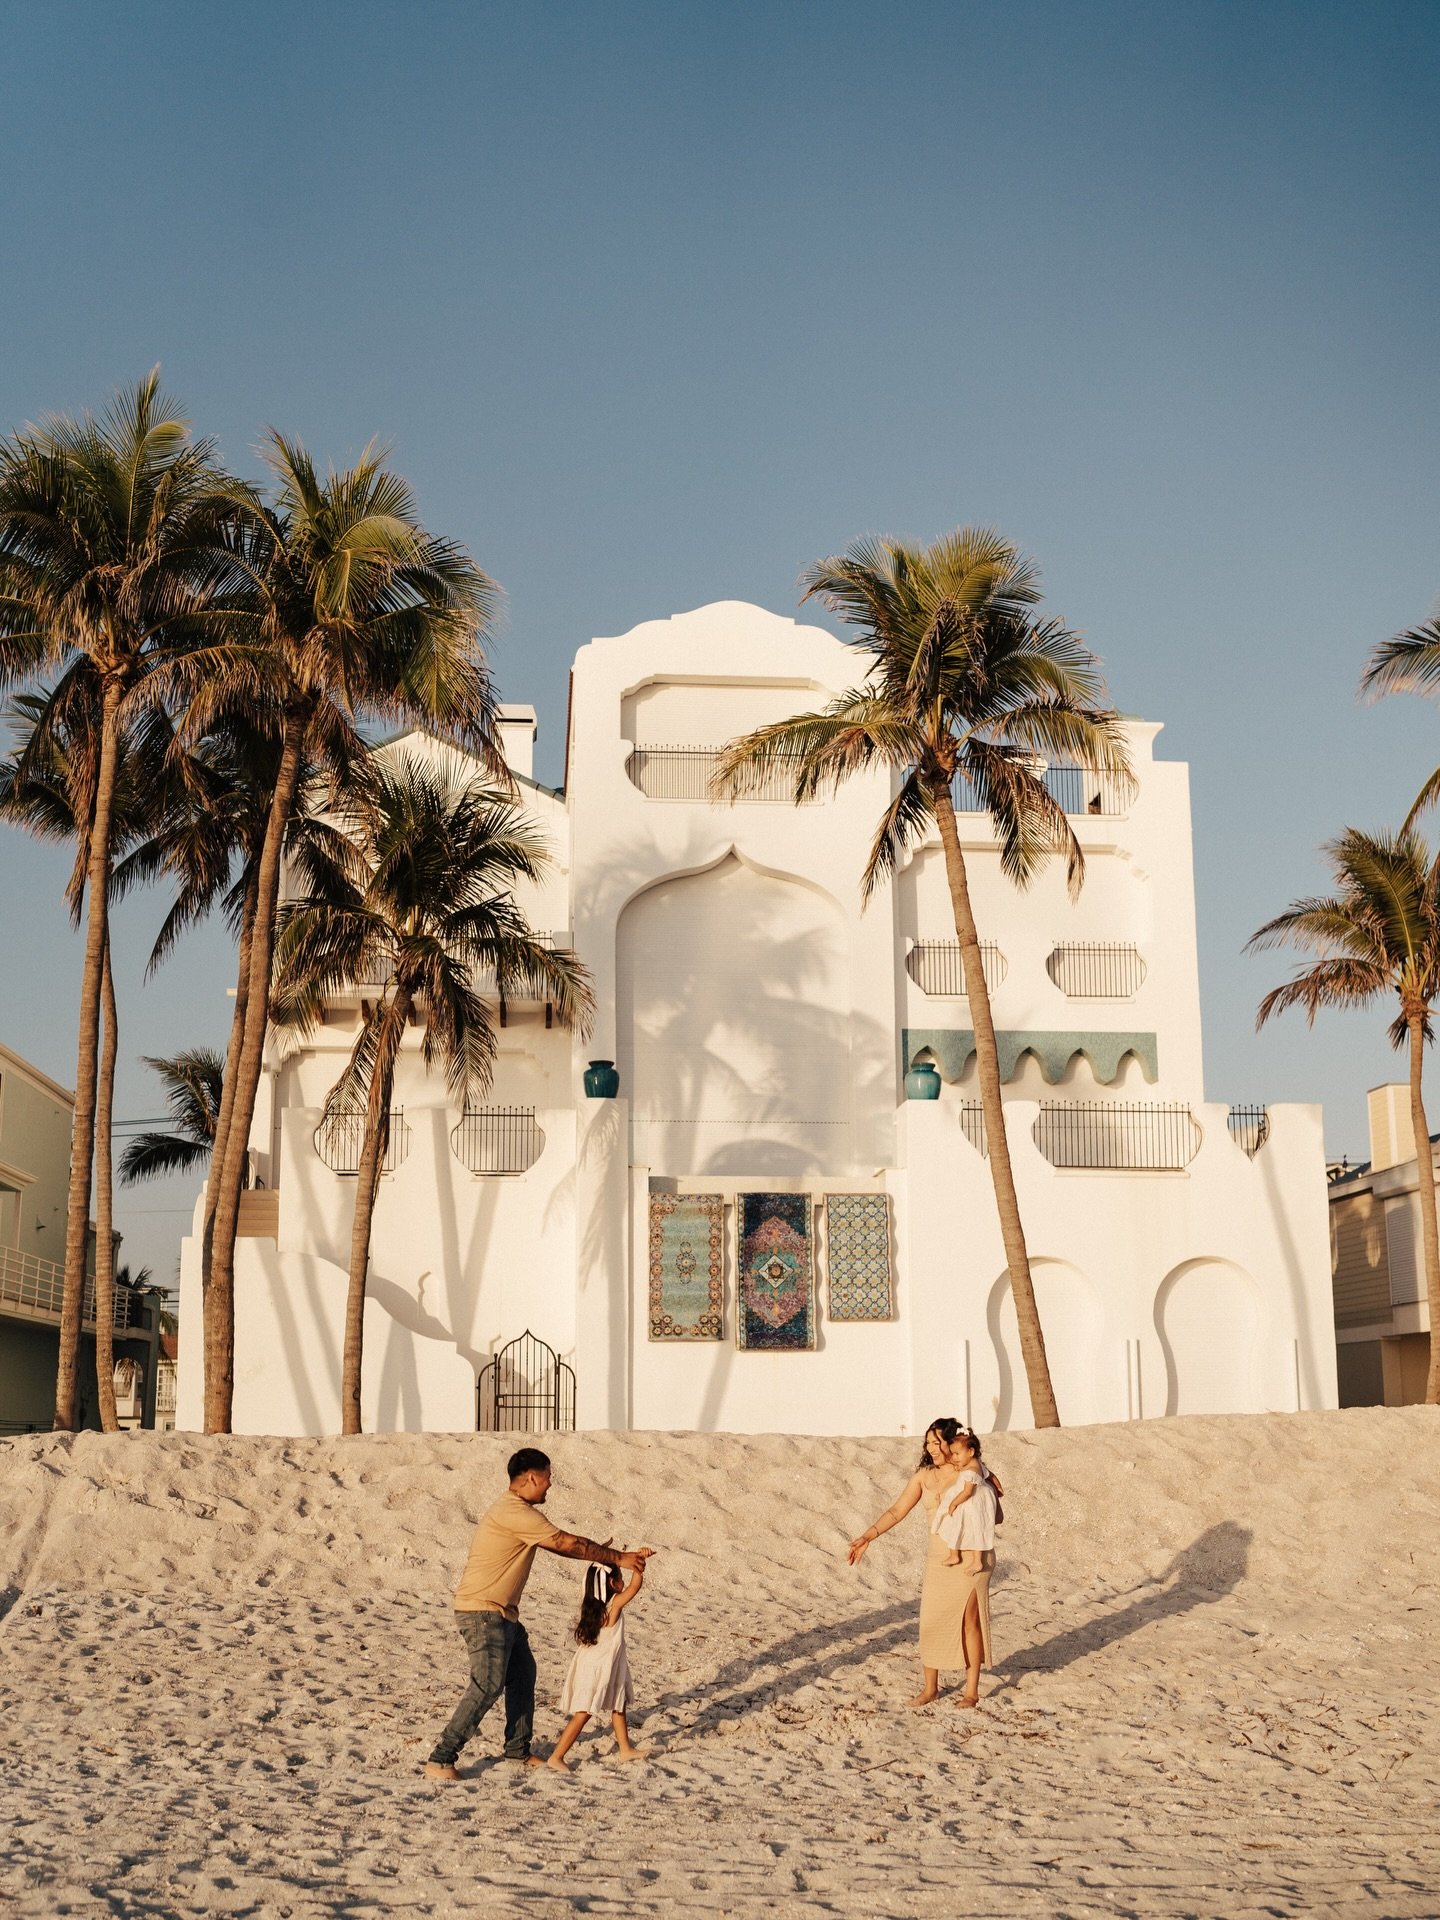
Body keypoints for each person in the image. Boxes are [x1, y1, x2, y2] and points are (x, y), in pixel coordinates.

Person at [424, 1446, 654, 1781]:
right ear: (532, 1477)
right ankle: (441, 1759)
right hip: (483, 1612)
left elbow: (568, 1545)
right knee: (487, 1684)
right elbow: (565, 1543)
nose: (550, 1484)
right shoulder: (514, 1511)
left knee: (523, 1673)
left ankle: (517, 1749)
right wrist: (619, 1557)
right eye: (547, 1478)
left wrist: (602, 1554)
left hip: (504, 1614)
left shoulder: (517, 1511)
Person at [847, 1416, 999, 1709]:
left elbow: (995, 1510)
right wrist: (867, 1537)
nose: (931, 1448)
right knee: (930, 1621)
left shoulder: (971, 1470)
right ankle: (930, 1689)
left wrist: (983, 1488)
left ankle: (971, 1692)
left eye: (937, 1442)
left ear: (952, 1442)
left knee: (969, 1621)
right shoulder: (923, 1476)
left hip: (972, 1556)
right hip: (939, 1558)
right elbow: (897, 1511)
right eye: (928, 1442)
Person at [547, 1557, 646, 1771]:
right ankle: (557, 1756)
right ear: (613, 1583)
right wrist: (639, 1564)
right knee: (583, 1713)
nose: (623, 1580)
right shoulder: (614, 1604)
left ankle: (625, 1749)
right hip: (598, 1667)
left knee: (618, 1704)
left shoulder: (592, 1607)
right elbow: (635, 1587)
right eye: (620, 1576)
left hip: (597, 1663)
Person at [933, 1428, 999, 1566]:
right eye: (952, 1454)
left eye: (957, 1454)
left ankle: (956, 1556)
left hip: (970, 1502)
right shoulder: (977, 1464)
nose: (954, 1458)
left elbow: (967, 1492)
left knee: (958, 1524)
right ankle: (976, 1560)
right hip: (978, 1500)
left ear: (971, 1452)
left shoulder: (972, 1471)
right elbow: (991, 1475)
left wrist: (954, 1503)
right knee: (977, 1529)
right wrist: (998, 1488)